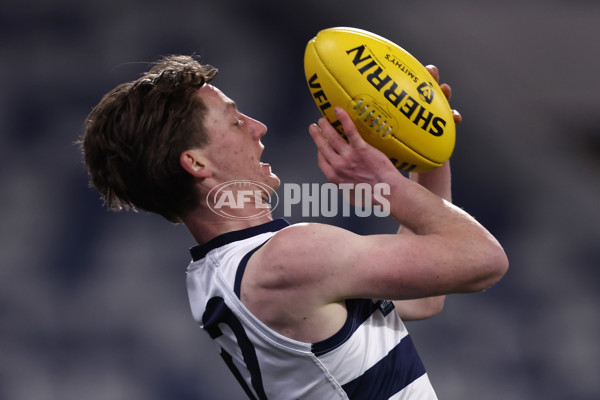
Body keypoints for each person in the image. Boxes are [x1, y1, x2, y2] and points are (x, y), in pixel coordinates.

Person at [81, 54, 508, 399]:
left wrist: (425, 154)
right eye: (234, 120)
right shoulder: (290, 259)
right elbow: (484, 260)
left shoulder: (237, 269)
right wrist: (389, 185)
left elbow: (428, 296)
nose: (257, 127)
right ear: (196, 163)